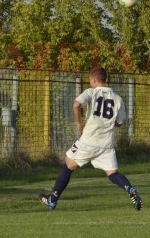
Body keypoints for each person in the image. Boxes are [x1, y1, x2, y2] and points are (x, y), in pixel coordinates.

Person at [38, 67, 142, 211]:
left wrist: (79, 123)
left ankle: (52, 200)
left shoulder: (91, 92)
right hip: (106, 144)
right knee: (112, 174)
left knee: (68, 164)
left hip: (88, 141)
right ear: (104, 80)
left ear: (93, 80)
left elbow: (76, 105)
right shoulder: (117, 98)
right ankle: (130, 189)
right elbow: (119, 123)